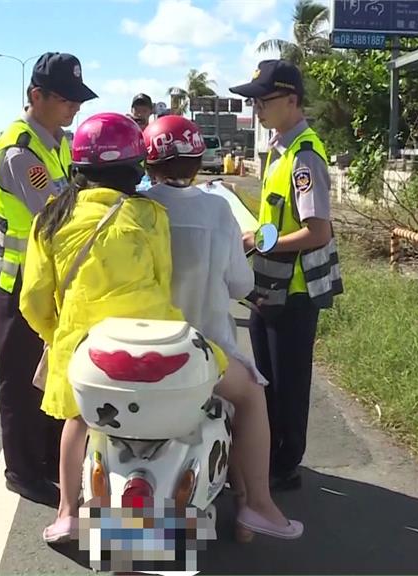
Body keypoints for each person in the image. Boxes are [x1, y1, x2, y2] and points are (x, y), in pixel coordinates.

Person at [19, 112, 299, 544]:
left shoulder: (50, 219)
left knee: (76, 418)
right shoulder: (148, 214)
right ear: (134, 166)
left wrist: (61, 336)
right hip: (165, 353)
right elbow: (162, 282)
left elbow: (33, 301)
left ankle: (67, 513)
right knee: (251, 395)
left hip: (89, 356)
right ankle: (257, 503)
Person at [141, 115, 302, 542]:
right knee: (250, 398)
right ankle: (255, 504)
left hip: (141, 352)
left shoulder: (136, 208)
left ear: (148, 163)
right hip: (202, 352)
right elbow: (241, 284)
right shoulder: (216, 208)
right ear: (198, 162)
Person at [0, 51, 97, 508]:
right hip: (21, 285)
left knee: (55, 371)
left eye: (78, 100)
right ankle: (23, 470)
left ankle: (53, 457)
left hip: (54, 283)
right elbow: (58, 215)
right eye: (67, 99)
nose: (75, 107)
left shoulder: (58, 142)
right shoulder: (20, 151)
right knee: (19, 379)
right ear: (37, 96)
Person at [228, 59, 343, 492]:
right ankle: (269, 454)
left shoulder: (304, 157)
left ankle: (285, 465)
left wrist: (263, 242)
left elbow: (318, 231)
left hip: (294, 295)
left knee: (289, 385)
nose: (256, 107)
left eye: (264, 99)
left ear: (291, 100)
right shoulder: (279, 150)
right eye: (253, 100)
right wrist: (257, 236)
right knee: (267, 381)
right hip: (269, 289)